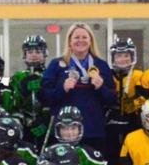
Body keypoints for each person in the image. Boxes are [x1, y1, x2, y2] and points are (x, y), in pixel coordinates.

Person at [41, 23, 116, 151]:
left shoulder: (101, 65)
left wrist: (101, 88)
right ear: (69, 41)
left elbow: (112, 100)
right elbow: (43, 97)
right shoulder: (57, 65)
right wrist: (62, 88)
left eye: (84, 37)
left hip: (93, 131)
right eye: (76, 37)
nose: (80, 40)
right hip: (64, 132)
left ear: (90, 40)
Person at [104, 37, 144, 165]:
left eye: (126, 55)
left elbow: (144, 100)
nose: (123, 59)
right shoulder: (107, 76)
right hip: (111, 126)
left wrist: (134, 103)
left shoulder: (139, 76)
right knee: (111, 160)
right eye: (119, 56)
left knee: (130, 161)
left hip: (132, 125)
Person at [10, 35, 50, 150]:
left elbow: (54, 100)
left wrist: (44, 120)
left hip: (47, 127)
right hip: (24, 127)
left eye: (38, 51)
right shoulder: (17, 77)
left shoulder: (50, 75)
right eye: (30, 51)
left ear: (44, 54)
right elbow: (14, 105)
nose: (34, 55)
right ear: (24, 54)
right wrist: (26, 121)